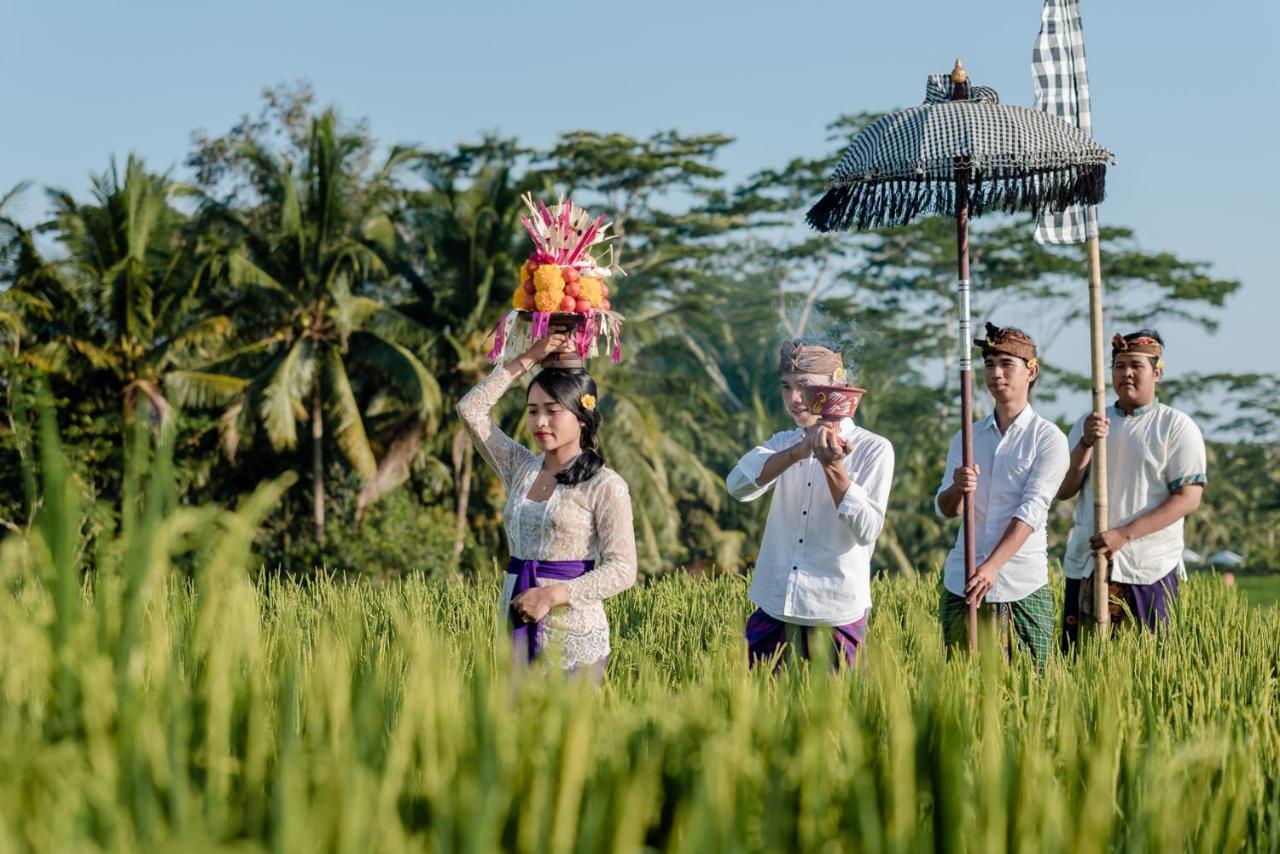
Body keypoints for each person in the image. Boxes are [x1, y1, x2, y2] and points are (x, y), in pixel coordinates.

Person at [456, 332, 637, 678]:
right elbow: (470, 410)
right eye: (532, 411)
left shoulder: (605, 485)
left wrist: (552, 595)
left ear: (581, 418)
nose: (540, 422)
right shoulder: (520, 468)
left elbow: (623, 570)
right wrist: (529, 357)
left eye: (552, 412)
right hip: (515, 622)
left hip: (574, 637)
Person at [726, 338, 894, 670]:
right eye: (786, 387)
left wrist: (833, 467)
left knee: (833, 716)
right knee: (757, 712)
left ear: (838, 386)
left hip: (835, 611)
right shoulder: (784, 443)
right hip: (775, 606)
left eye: (804, 386)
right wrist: (798, 453)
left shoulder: (875, 449)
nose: (794, 399)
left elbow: (867, 530)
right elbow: (737, 486)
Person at [1057, 329, 1206, 649]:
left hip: (1147, 565)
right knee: (1078, 661)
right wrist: (1085, 443)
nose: (1127, 373)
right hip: (1089, 562)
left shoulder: (1176, 426)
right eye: (1120, 365)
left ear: (1157, 372)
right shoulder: (1091, 422)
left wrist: (1124, 534)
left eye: (1136, 365)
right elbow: (1064, 489)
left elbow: (1188, 498)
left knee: (1146, 662)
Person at [935, 323, 1068, 669]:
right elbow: (946, 508)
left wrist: (992, 566)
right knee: (960, 691)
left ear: (1031, 371)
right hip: (962, 583)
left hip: (1020, 585)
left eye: (1007, 363)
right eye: (990, 363)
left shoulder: (1048, 439)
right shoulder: (967, 437)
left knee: (1029, 693)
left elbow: (1033, 509)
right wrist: (958, 488)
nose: (996, 373)